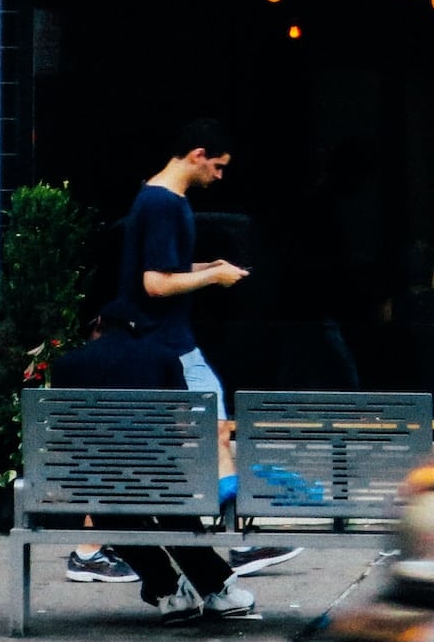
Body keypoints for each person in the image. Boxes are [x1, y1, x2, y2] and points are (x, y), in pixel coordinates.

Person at [94, 118, 300, 581]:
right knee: (217, 428)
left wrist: (206, 264)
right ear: (198, 154)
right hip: (169, 343)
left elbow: (159, 267)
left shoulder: (152, 196)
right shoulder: (167, 204)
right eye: (219, 167)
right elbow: (154, 282)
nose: (220, 177)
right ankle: (240, 544)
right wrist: (213, 277)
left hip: (158, 343)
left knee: (204, 434)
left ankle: (236, 541)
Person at [48, 314, 255, 622]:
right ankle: (218, 590)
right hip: (158, 478)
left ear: (97, 325)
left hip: (91, 483)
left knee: (107, 502)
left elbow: (62, 430)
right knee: (168, 494)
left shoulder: (68, 364)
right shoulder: (162, 357)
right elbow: (185, 425)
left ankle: (167, 591)